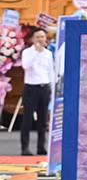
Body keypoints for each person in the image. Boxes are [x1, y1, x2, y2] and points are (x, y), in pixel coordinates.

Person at [18, 27, 53, 156]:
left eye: (42, 37)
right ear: (32, 39)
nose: (40, 39)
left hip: (44, 88)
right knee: (27, 119)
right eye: (37, 37)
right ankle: (25, 148)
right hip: (31, 88)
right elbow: (26, 66)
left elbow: (50, 72)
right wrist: (35, 53)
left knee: (43, 121)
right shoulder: (27, 52)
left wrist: (52, 90)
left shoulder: (48, 54)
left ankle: (41, 147)